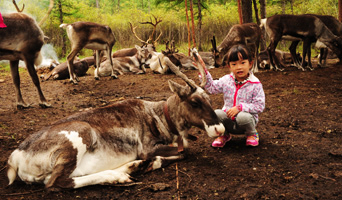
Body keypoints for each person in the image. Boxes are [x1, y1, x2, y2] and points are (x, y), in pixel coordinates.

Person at [200, 44, 265, 147]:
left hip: (246, 122)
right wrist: (203, 70)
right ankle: (224, 135)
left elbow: (260, 106)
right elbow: (212, 87)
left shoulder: (255, 84)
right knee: (216, 113)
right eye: (234, 64)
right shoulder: (226, 80)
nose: (239, 67)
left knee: (243, 117)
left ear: (250, 64)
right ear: (229, 66)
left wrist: (240, 108)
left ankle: (252, 134)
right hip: (229, 121)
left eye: (243, 63)